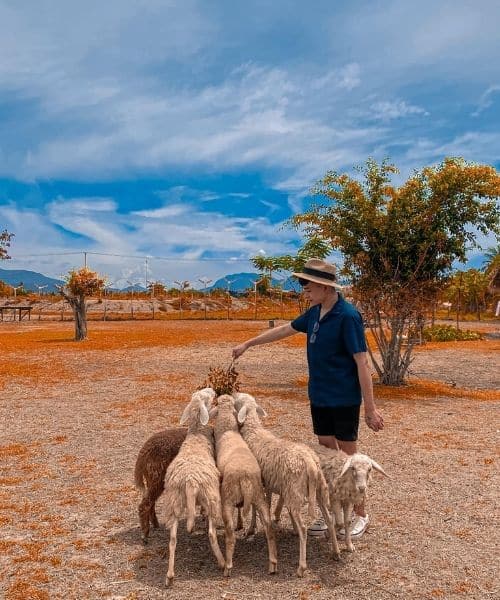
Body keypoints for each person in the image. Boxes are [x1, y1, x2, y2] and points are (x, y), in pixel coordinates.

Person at [232, 258, 384, 538]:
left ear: (325, 287)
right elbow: (284, 330)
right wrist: (249, 344)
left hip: (344, 399)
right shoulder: (314, 313)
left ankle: (360, 514)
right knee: (326, 456)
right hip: (320, 397)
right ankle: (331, 513)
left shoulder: (347, 316)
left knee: (350, 458)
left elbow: (362, 363)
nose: (303, 289)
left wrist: (370, 409)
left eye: (307, 284)